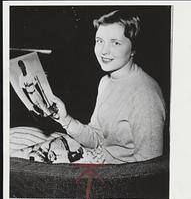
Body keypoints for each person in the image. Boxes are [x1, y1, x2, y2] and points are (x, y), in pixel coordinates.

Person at [10, 10, 166, 164]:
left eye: (115, 43)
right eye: (99, 41)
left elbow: (148, 167)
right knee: (12, 150)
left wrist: (108, 163)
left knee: (18, 167)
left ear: (133, 49)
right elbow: (96, 139)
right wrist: (65, 119)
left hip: (116, 177)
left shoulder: (146, 94)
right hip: (96, 157)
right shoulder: (106, 81)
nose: (104, 51)